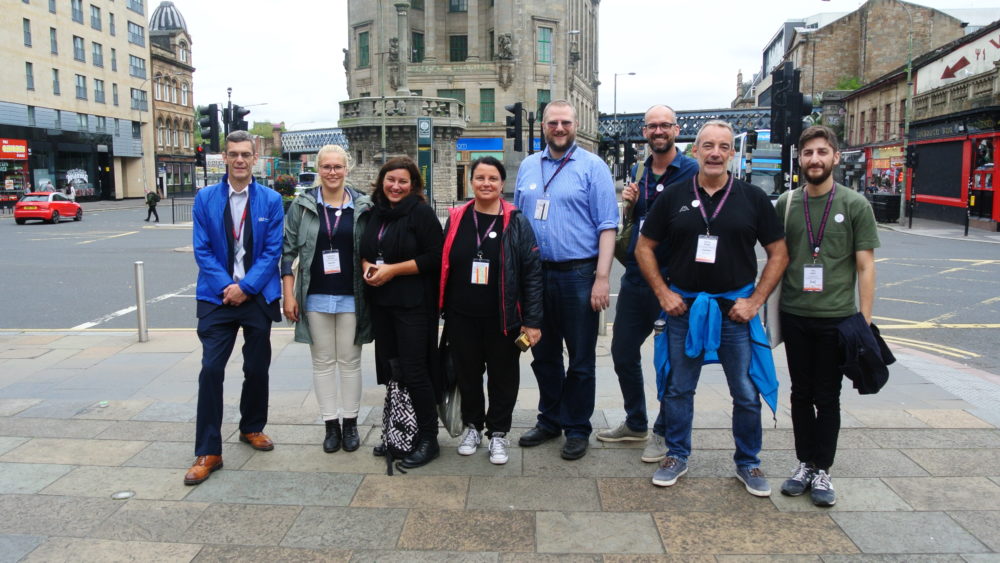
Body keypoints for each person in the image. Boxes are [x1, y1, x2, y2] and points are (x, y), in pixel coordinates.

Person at [635, 120, 788, 497]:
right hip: (684, 310)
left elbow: (779, 253)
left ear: (731, 153)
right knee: (678, 389)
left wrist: (755, 302)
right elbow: (643, 247)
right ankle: (677, 454)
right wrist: (663, 294)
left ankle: (748, 462)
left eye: (722, 146)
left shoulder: (752, 198)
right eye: (707, 146)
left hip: (734, 312)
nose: (715, 153)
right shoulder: (673, 196)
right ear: (696, 151)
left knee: (745, 392)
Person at [776, 125, 880, 507]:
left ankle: (823, 470)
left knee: (828, 395)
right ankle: (804, 463)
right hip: (794, 314)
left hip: (837, 318)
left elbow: (866, 266)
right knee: (800, 393)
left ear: (836, 157)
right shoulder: (785, 204)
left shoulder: (855, 205)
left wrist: (863, 323)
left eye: (822, 152)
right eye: (808, 153)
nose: (815, 159)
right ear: (800, 159)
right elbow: (775, 257)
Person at [513, 100, 618, 461]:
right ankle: (550, 419)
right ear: (543, 125)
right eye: (553, 122)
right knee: (542, 354)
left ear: (575, 126)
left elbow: (608, 225)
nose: (559, 128)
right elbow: (517, 224)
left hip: (579, 275)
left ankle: (576, 427)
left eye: (565, 122)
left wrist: (602, 278)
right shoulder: (528, 166)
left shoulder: (593, 167)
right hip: (535, 277)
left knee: (581, 359)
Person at [598, 105, 698, 464]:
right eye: (653, 126)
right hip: (638, 279)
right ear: (645, 131)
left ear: (676, 129)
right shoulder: (640, 169)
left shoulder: (691, 171)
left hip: (675, 282)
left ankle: (664, 431)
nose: (659, 131)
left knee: (671, 362)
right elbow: (636, 223)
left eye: (665, 125)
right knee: (622, 351)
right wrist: (630, 204)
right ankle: (636, 421)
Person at [185, 130, 284, 485]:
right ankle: (209, 450)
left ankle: (252, 426)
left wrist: (246, 287)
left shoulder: (271, 200)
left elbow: (273, 251)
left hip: (255, 296)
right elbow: (202, 250)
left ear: (254, 158)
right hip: (216, 297)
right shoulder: (205, 198)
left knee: (257, 368)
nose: (239, 160)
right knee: (211, 370)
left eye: (245, 154)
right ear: (224, 158)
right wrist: (227, 287)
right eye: (233, 154)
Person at [439, 157, 543, 465]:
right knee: (468, 374)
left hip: (503, 317)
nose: (486, 183)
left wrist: (533, 320)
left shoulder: (516, 220)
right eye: (480, 177)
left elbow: (532, 273)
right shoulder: (457, 217)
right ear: (471, 181)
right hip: (461, 315)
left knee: (503, 377)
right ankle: (473, 426)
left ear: (502, 184)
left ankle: (498, 433)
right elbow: (445, 263)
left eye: (493, 178)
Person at [281, 145, 373, 454]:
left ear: (347, 169)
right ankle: (330, 425)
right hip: (315, 294)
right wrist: (288, 294)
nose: (332, 172)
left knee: (350, 363)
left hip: (352, 296)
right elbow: (288, 251)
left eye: (337, 166)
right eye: (326, 167)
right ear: (318, 170)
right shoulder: (303, 206)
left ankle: (350, 424)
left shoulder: (363, 205)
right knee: (322, 363)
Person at [360, 156, 443, 469]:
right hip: (383, 304)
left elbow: (435, 256)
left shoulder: (420, 213)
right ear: (382, 181)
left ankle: (428, 438)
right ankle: (401, 432)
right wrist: (369, 267)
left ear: (413, 185)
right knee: (393, 370)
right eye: (391, 180)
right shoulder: (375, 213)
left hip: (414, 305)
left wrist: (392, 270)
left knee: (414, 370)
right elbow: (365, 253)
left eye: (403, 181)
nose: (396, 186)